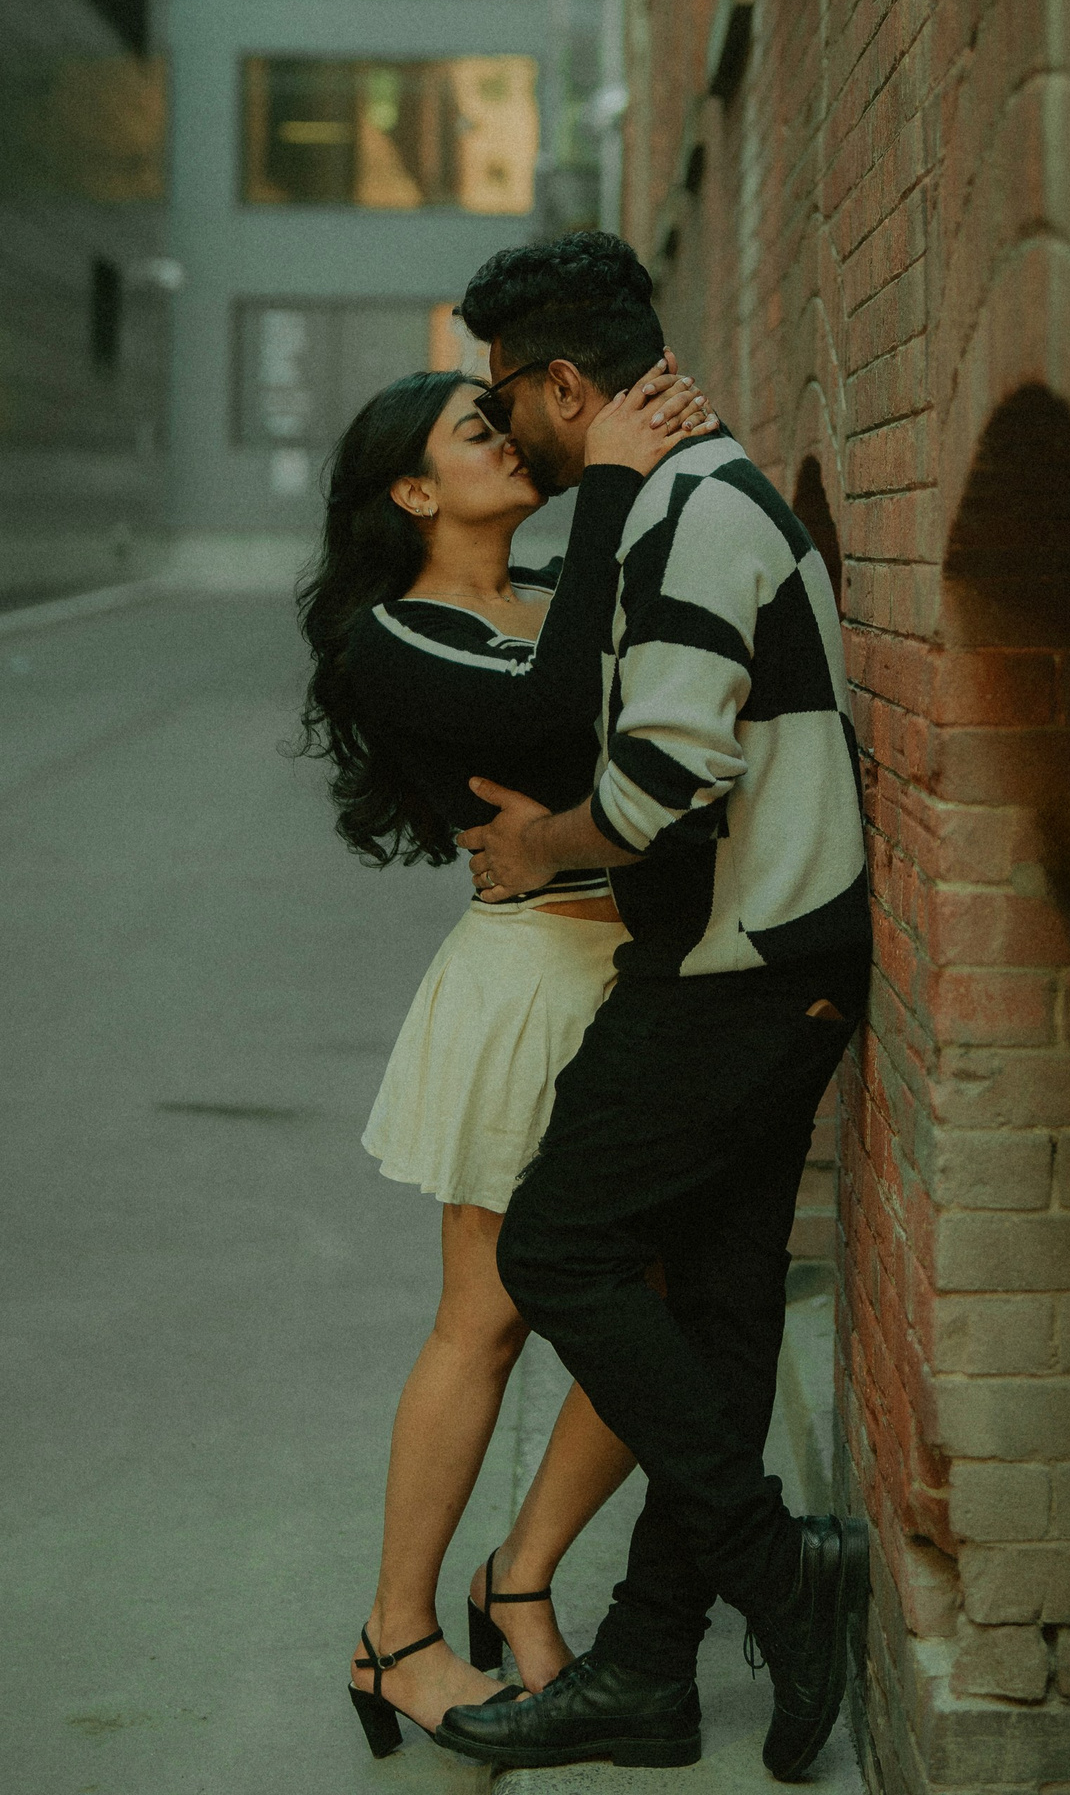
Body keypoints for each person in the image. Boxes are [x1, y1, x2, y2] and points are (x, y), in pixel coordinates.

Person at [428, 232, 873, 1784]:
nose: (504, 428)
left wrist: (538, 849)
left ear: (566, 383)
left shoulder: (698, 516)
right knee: (721, 1314)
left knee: (559, 1247)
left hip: (740, 972)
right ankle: (649, 1668)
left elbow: (670, 776)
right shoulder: (685, 502)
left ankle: (776, 1568)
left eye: (505, 397)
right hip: (762, 964)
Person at [294, 350, 715, 1756]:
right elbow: (553, 717)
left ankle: (518, 1573)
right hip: (530, 982)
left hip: (636, 974)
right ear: (414, 492)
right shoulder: (394, 637)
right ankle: (395, 1636)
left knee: (648, 1312)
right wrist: (613, 486)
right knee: (485, 1317)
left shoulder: (545, 590)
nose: (509, 440)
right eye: (478, 430)